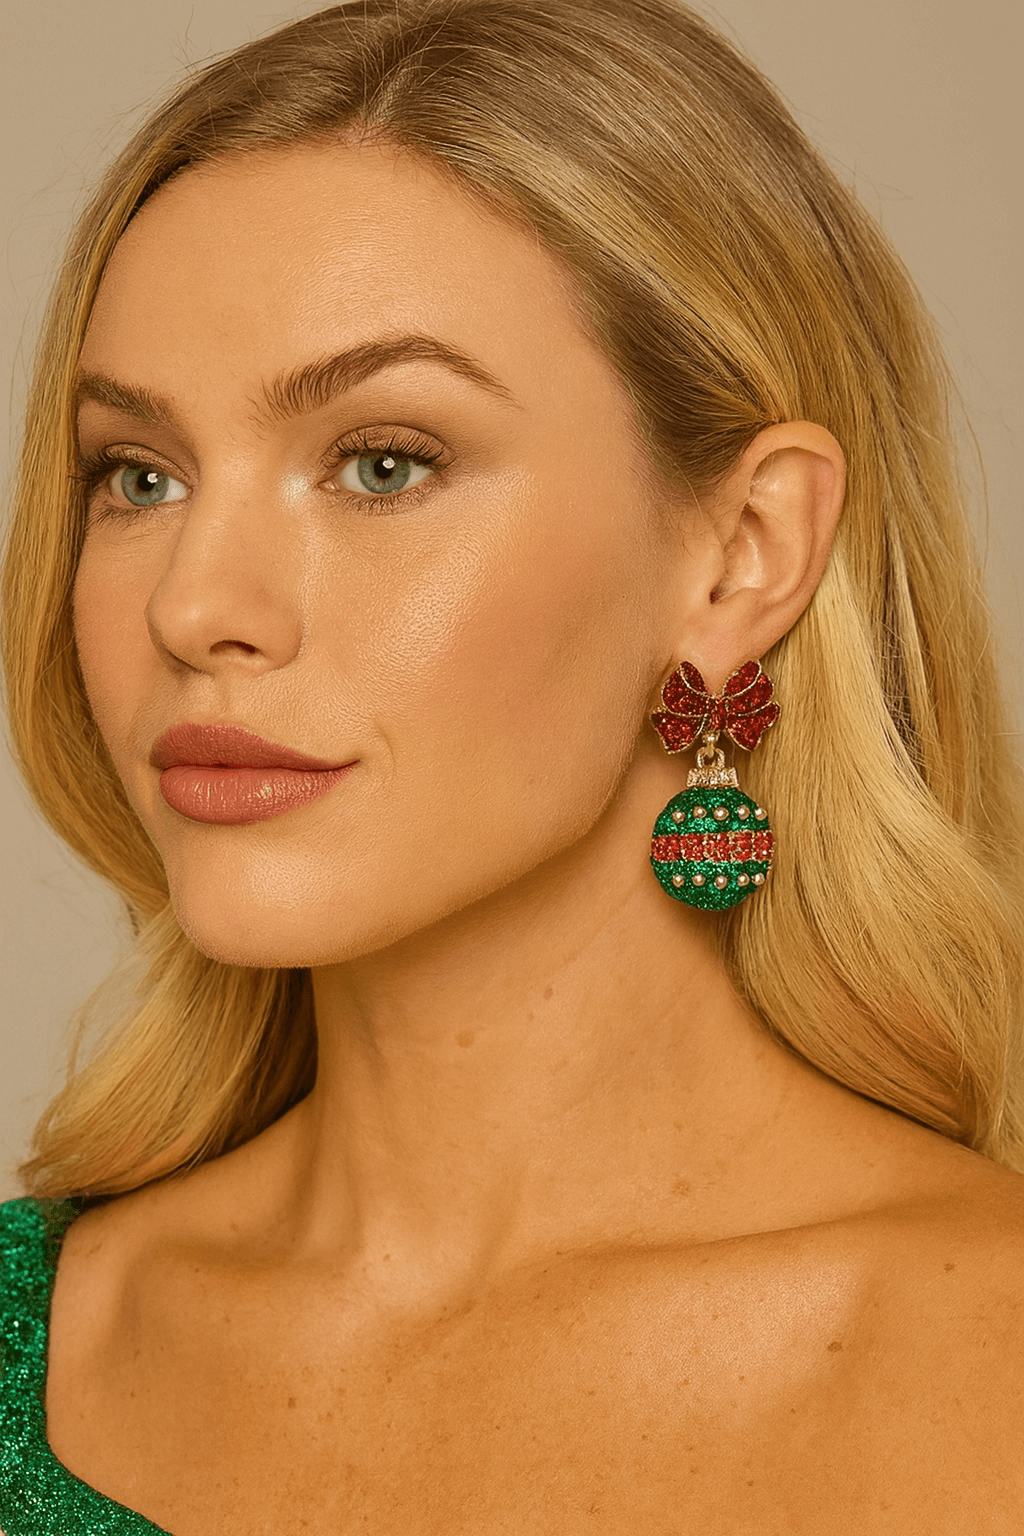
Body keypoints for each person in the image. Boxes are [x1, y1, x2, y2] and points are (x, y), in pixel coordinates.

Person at [2, 0, 1023, 1529]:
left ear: (744, 555)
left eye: (384, 463)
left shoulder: (991, 1366)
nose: (193, 606)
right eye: (138, 477)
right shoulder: (37, 1337)